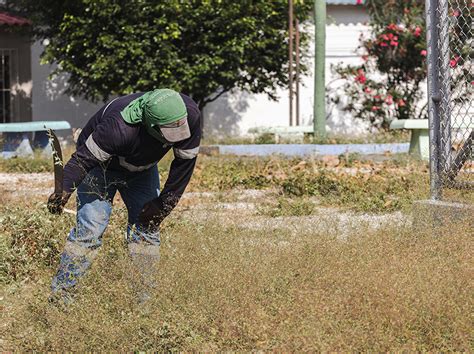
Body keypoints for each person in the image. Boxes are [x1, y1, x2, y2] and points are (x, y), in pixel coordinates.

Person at [47, 88, 201, 302]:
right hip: (99, 168)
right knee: (89, 232)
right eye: (169, 132)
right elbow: (82, 161)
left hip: (143, 170)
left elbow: (184, 165)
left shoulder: (189, 114)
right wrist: (63, 190)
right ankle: (60, 297)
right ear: (151, 125)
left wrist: (164, 204)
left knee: (147, 230)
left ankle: (144, 304)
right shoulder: (118, 128)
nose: (179, 135)